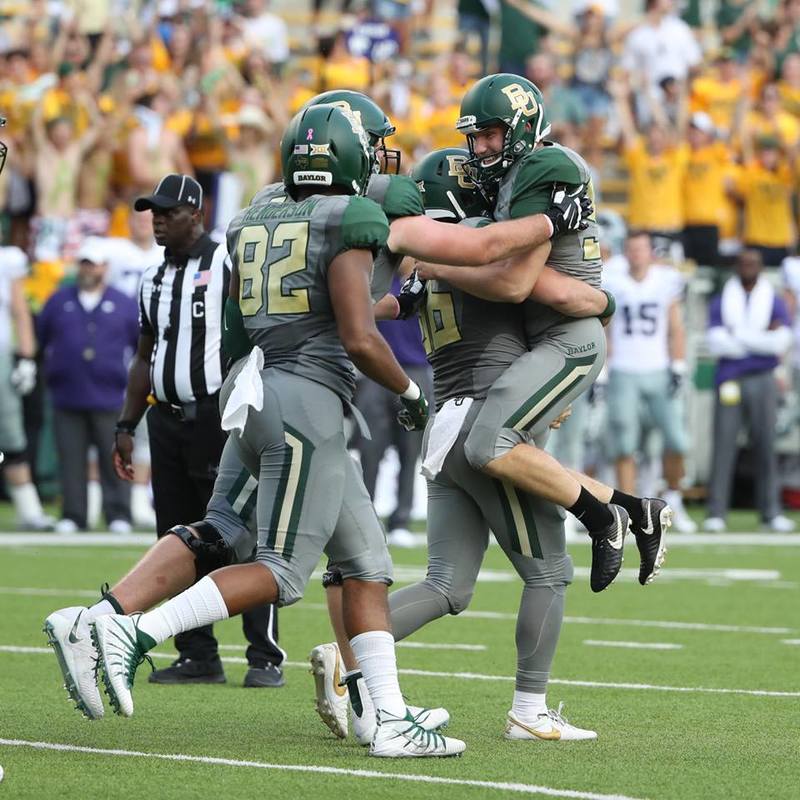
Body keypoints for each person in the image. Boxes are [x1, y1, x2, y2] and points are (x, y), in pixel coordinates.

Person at [89, 105, 466, 758]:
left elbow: (244, 325)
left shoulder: (258, 208)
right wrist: (410, 395)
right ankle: (136, 631)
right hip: (307, 398)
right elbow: (359, 331)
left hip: (257, 386)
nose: (383, 158)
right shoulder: (356, 211)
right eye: (373, 145)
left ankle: (385, 714)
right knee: (281, 570)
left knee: (365, 564)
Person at [112, 173, 282, 688]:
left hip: (217, 417)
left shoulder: (227, 261)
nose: (158, 220)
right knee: (176, 534)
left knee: (239, 534)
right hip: (165, 418)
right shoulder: (152, 278)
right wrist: (127, 423)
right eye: (154, 213)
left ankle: (264, 655)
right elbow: (145, 356)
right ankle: (198, 654)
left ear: (198, 214)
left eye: (169, 212)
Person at [37, 238, 139, 533]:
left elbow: (139, 344)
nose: (88, 270)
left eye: (93, 264)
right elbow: (42, 337)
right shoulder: (59, 300)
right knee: (70, 458)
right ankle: (73, 514)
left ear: (104, 267)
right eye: (84, 263)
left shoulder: (123, 303)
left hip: (110, 395)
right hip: (67, 394)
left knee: (114, 457)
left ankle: (118, 514)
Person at [603, 231, 696, 533]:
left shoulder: (665, 280)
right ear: (625, 252)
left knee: (677, 440)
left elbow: (676, 327)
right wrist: (604, 370)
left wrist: (678, 365)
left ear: (650, 252)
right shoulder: (613, 279)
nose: (636, 254)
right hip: (623, 370)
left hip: (658, 369)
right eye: (631, 249)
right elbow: (605, 327)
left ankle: (673, 498)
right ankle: (630, 509)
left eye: (641, 249)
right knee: (624, 443)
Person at [705, 249, 795, 533]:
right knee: (723, 445)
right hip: (729, 378)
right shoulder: (723, 299)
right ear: (737, 267)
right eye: (744, 263)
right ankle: (716, 511)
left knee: (766, 445)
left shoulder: (773, 299)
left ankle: (771, 512)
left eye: (753, 263)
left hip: (763, 378)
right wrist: (760, 339)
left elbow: (781, 341)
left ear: (761, 267)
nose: (748, 267)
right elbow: (716, 342)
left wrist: (738, 335)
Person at [356, 273, 432, 548]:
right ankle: (365, 518)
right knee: (369, 449)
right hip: (374, 372)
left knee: (410, 452)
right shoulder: (375, 276)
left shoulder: (427, 280)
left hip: (416, 370)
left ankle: (401, 521)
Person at [0, 245, 53, 530]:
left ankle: (29, 509)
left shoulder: (8, 260)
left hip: (0, 357)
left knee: (10, 432)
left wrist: (26, 357)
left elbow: (20, 311)